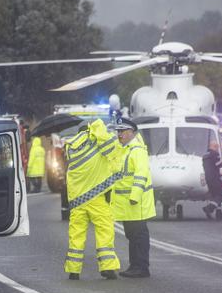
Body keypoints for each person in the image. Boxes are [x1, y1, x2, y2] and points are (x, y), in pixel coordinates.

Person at [64, 119, 124, 280]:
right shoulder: (95, 140)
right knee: (104, 231)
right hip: (96, 196)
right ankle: (108, 268)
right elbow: (112, 149)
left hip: (77, 200)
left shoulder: (71, 147)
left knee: (76, 235)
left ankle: (74, 271)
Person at [110, 117, 156, 278]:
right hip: (127, 203)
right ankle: (134, 265)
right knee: (131, 234)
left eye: (122, 131)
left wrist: (135, 196)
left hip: (136, 202)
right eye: (118, 131)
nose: (119, 134)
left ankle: (142, 267)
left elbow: (141, 175)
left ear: (132, 132)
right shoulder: (124, 150)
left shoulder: (137, 151)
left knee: (139, 234)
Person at [202, 142, 222, 220]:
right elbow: (219, 165)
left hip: (208, 178)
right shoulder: (215, 154)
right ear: (215, 147)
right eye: (217, 147)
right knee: (221, 194)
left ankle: (219, 214)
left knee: (214, 195)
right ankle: (209, 208)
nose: (217, 149)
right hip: (215, 177)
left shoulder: (205, 155)